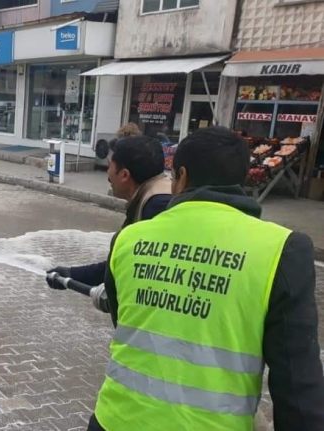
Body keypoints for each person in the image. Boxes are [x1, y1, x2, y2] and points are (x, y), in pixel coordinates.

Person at [88, 127, 324, 431]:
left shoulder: (130, 239)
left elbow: (126, 322)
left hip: (114, 421)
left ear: (182, 177)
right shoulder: (282, 249)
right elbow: (297, 383)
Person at [46, 135, 172, 309]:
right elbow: (118, 265)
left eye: (110, 165)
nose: (107, 173)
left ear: (125, 175)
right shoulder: (157, 197)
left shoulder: (156, 209)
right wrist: (71, 275)